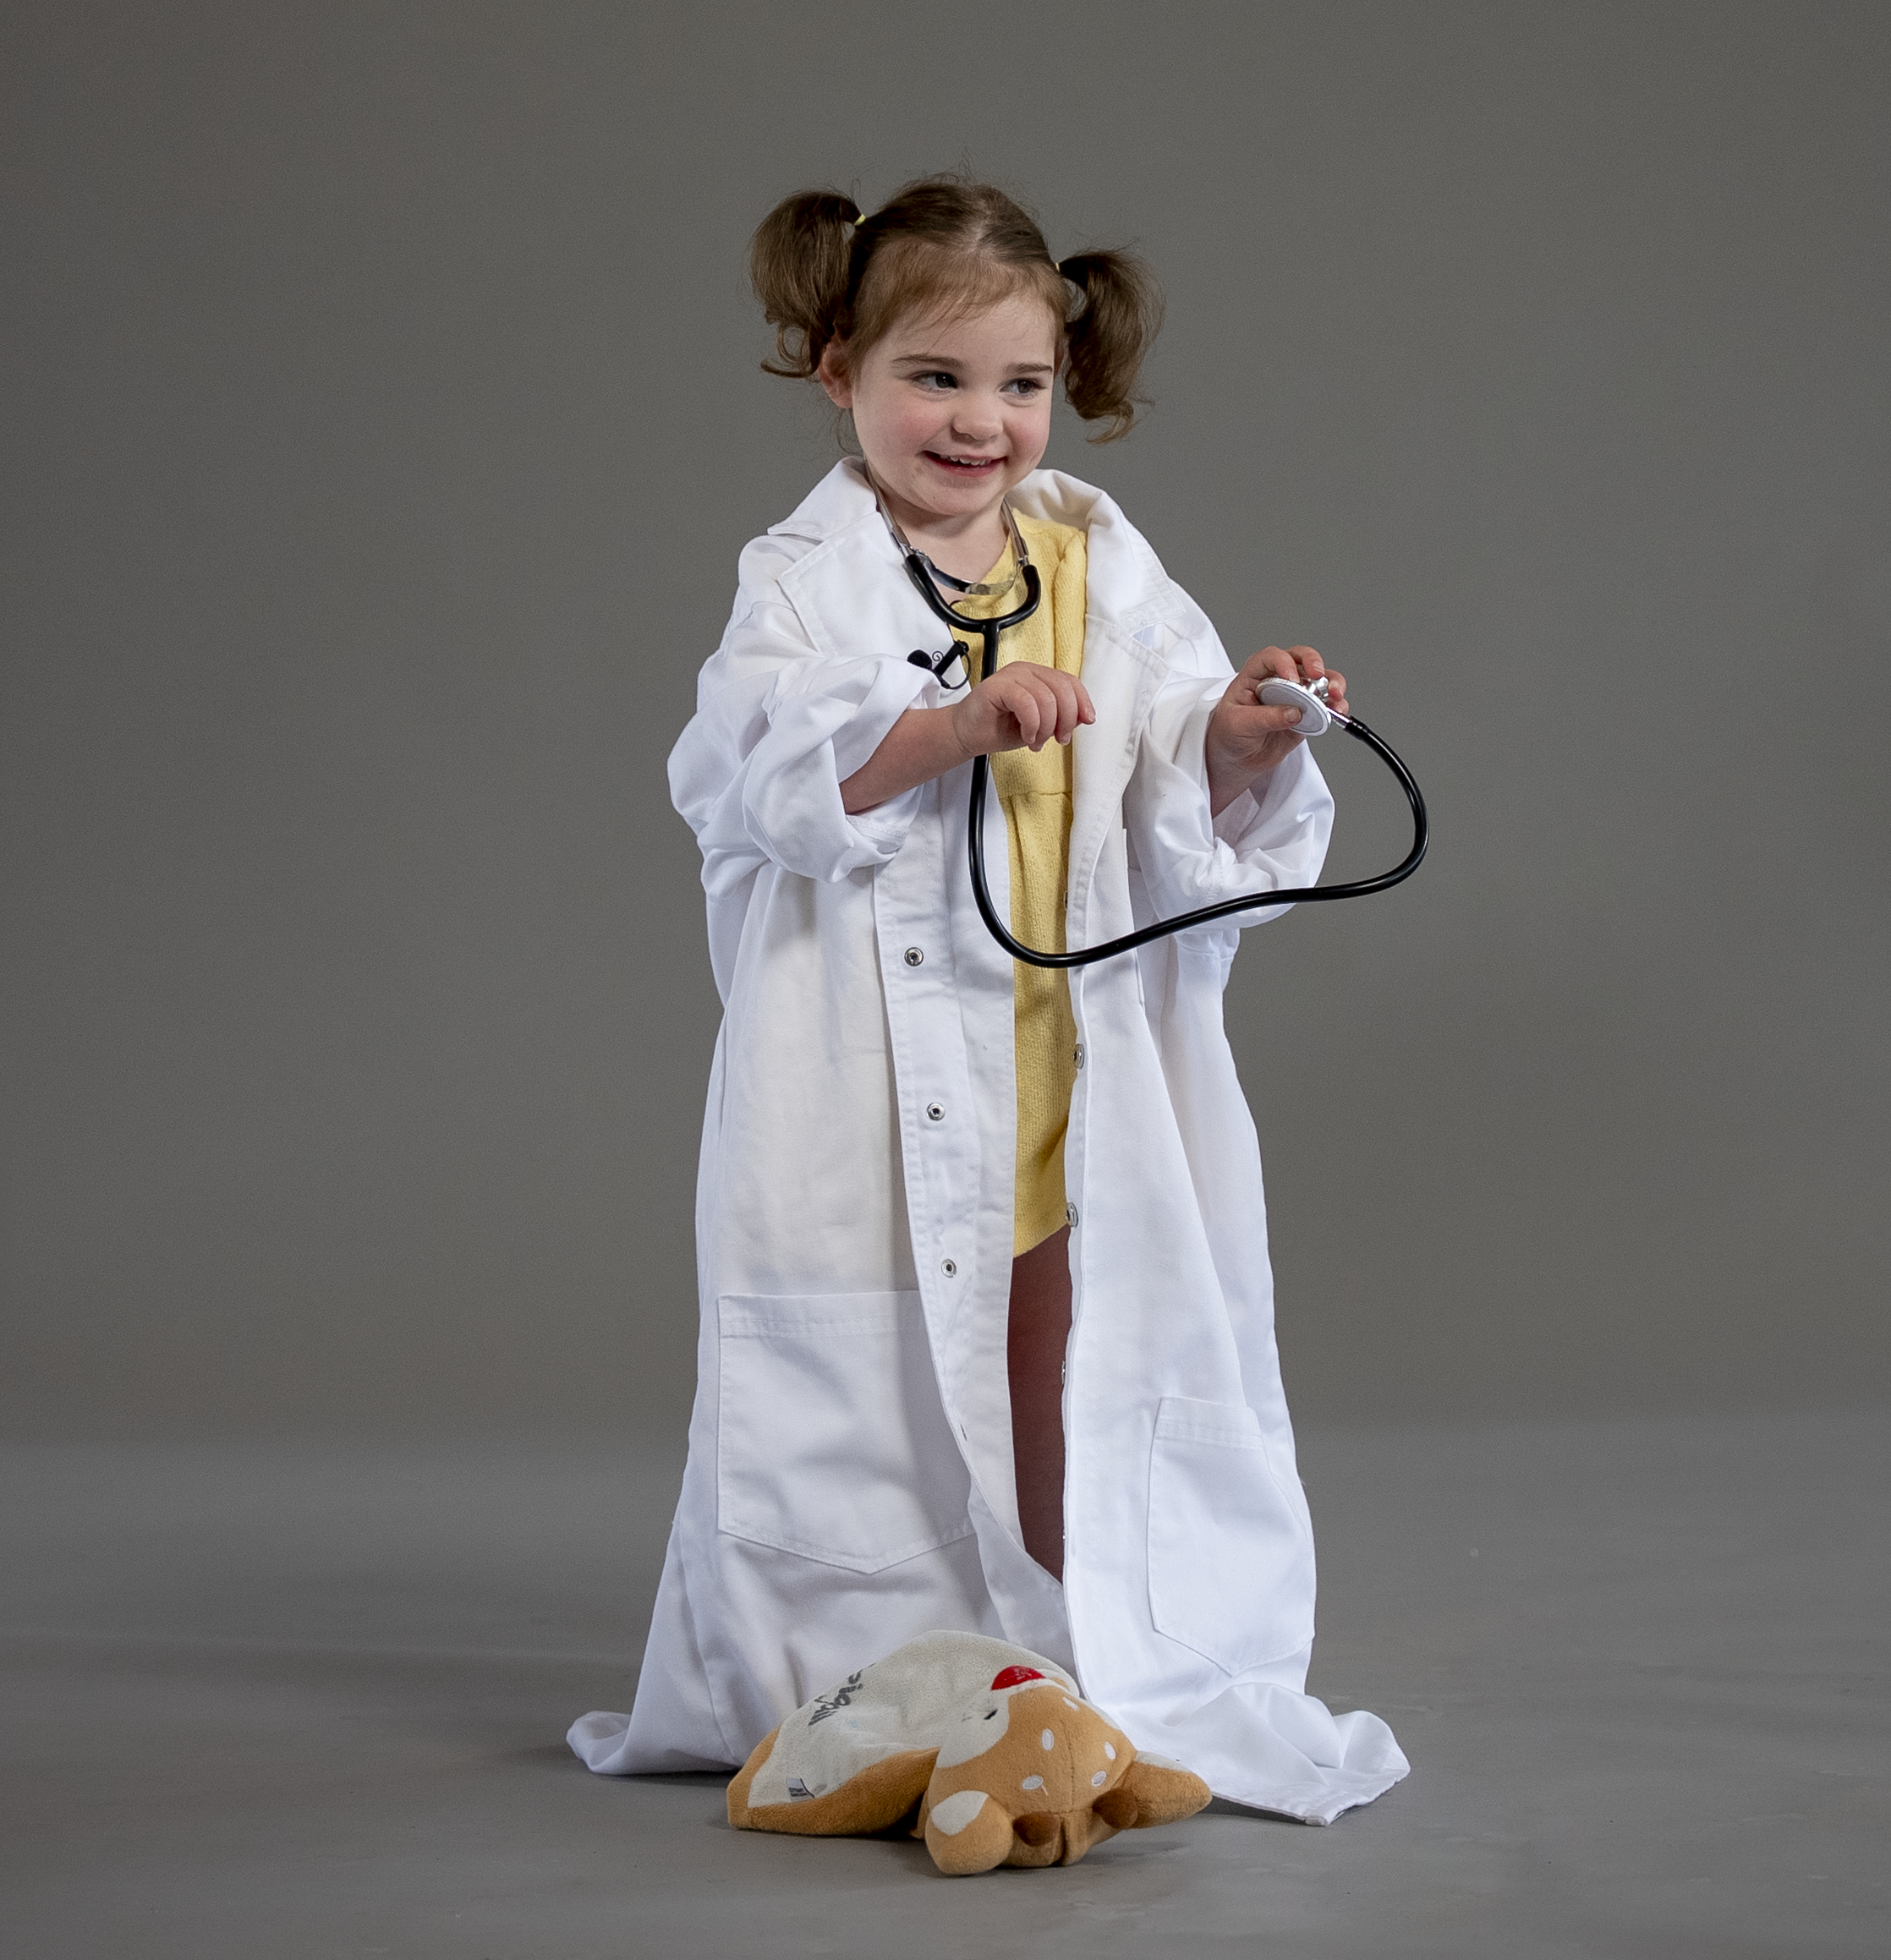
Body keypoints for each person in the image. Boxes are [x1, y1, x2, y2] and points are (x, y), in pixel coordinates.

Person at [565, 176, 1406, 1825]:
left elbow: (1171, 766)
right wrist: (946, 728)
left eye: (1017, 385)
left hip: (1063, 1052)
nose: (978, 421)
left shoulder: (1095, 560)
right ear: (838, 372)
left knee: (1064, 1354)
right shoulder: (804, 580)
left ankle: (1075, 1665)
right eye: (933, 379)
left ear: (1062, 387)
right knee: (875, 1372)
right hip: (875, 1075)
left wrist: (1243, 730)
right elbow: (748, 776)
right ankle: (881, 1689)